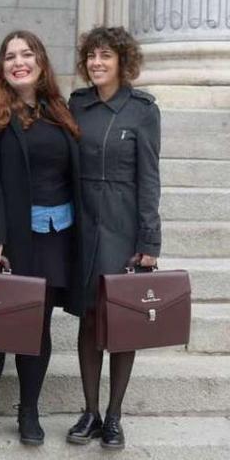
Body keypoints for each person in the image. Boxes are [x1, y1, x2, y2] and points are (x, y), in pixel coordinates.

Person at [0, 30, 82, 447]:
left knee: (37, 327)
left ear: (42, 62)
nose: (18, 62)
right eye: (9, 56)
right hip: (7, 237)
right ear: (1, 66)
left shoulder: (58, 110)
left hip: (53, 236)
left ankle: (29, 410)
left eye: (26, 54)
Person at [65, 26, 161, 450]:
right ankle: (91, 411)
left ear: (123, 61)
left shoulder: (142, 110)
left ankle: (116, 415)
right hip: (82, 224)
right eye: (91, 56)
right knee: (88, 316)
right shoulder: (77, 105)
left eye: (105, 55)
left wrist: (149, 241)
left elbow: (149, 180)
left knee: (122, 321)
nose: (97, 63)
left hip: (123, 225)